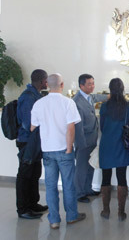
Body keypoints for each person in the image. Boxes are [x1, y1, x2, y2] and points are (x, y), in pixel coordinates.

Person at [31, 73, 86, 229]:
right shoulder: (68, 103)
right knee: (68, 185)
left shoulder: (39, 104)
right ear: (62, 85)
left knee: (50, 186)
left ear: (47, 84)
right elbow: (71, 128)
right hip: (64, 150)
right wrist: (69, 148)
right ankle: (71, 216)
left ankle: (54, 220)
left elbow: (32, 126)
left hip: (47, 151)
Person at [99, 78, 129, 221]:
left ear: (110, 89)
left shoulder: (104, 106)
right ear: (122, 89)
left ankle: (106, 210)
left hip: (106, 144)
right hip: (121, 144)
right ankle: (121, 212)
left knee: (105, 177)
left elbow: (102, 127)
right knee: (122, 177)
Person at [16, 69, 48, 219]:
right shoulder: (28, 97)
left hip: (35, 142)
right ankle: (23, 209)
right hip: (27, 142)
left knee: (34, 173)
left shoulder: (36, 95)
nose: (47, 82)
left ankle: (32, 203)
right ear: (42, 81)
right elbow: (29, 124)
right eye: (46, 80)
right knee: (25, 175)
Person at [73, 74, 108, 203]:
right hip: (83, 140)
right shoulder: (77, 102)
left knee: (90, 165)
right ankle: (79, 193)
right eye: (89, 84)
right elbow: (78, 126)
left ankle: (88, 189)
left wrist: (112, 96)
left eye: (93, 83)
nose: (92, 86)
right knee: (81, 167)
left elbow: (97, 97)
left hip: (92, 138)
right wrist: (81, 144)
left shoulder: (89, 97)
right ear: (81, 86)